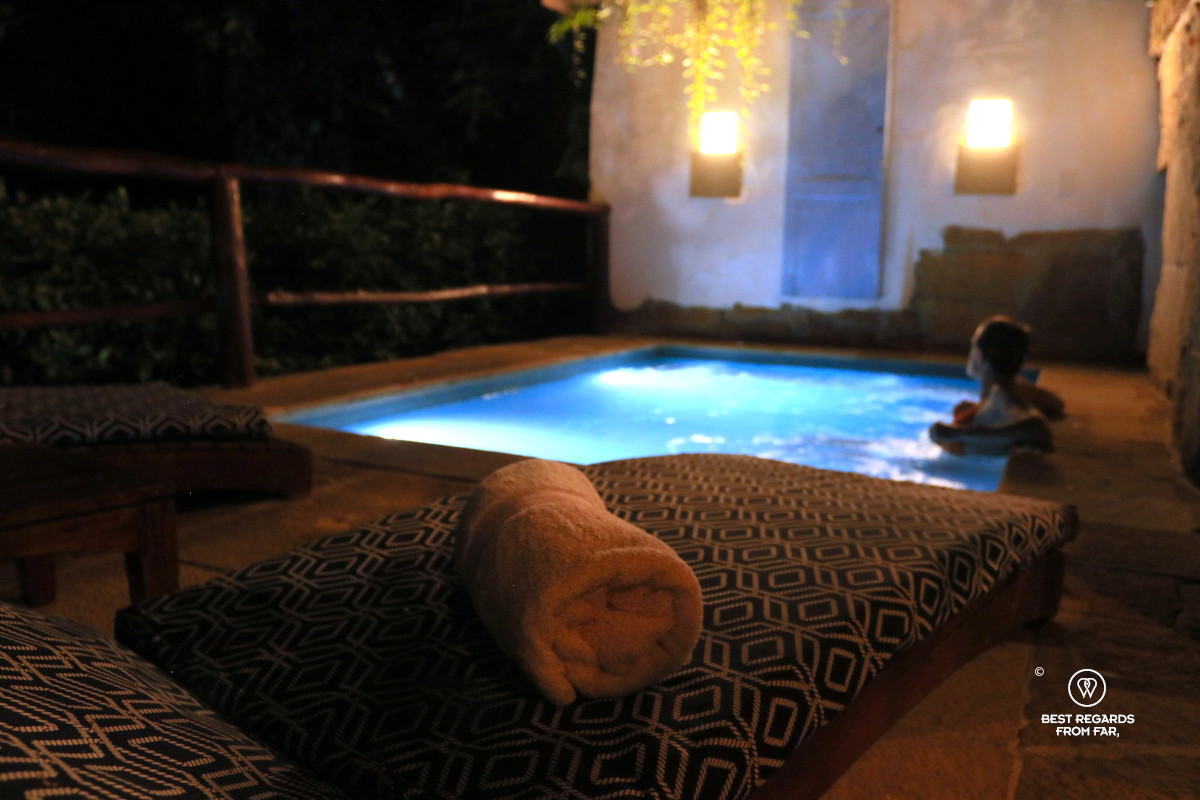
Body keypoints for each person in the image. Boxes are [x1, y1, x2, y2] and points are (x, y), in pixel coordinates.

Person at [929, 315, 1064, 454]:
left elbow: (1038, 428)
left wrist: (955, 432)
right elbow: (1056, 404)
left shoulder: (1001, 392)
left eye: (973, 345)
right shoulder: (1014, 388)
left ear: (980, 355)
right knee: (962, 408)